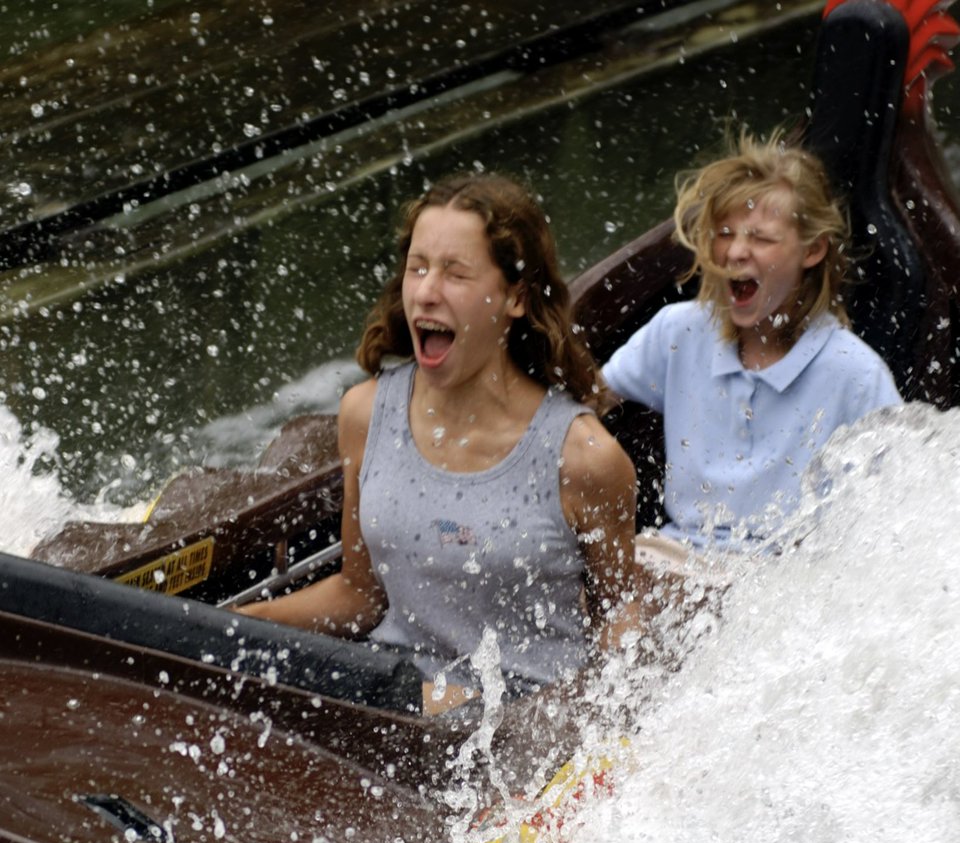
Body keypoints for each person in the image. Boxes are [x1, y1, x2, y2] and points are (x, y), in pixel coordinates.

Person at [240, 173, 640, 713]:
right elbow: (359, 596)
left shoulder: (583, 457)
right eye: (418, 268)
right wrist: (237, 629)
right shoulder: (364, 414)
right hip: (396, 707)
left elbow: (620, 619)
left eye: (455, 273)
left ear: (514, 297)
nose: (426, 292)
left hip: (526, 732)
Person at [601, 129, 903, 568]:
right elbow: (582, 407)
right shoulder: (679, 332)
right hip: (678, 555)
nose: (736, 251)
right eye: (724, 233)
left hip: (786, 578)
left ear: (813, 250)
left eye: (760, 238)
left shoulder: (854, 372)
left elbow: (892, 512)